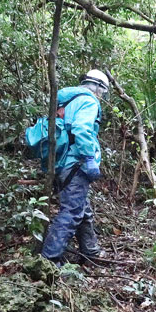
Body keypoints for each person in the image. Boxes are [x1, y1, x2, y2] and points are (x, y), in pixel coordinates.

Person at [41, 69, 109, 266]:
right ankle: (49, 259)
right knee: (72, 211)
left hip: (60, 162)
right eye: (102, 92)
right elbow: (81, 128)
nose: (102, 96)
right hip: (75, 164)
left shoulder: (66, 101)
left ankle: (90, 251)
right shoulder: (88, 101)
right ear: (98, 88)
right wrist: (89, 157)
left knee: (81, 208)